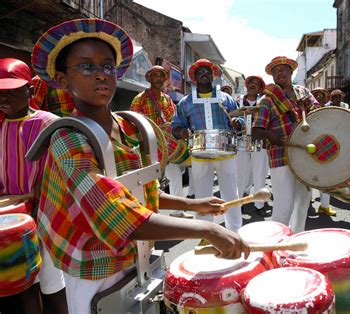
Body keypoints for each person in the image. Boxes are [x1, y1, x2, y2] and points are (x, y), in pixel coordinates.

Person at [31, 18, 250, 314]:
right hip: (91, 264)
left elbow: (135, 193)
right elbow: (112, 210)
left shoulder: (126, 127)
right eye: (86, 67)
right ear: (61, 79)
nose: (101, 75)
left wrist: (196, 203)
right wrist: (208, 230)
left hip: (131, 254)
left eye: (107, 66)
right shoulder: (68, 138)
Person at [0, 58, 68, 314]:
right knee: (22, 283)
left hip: (44, 215)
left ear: (30, 90)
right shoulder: (1, 124)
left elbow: (60, 169)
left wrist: (38, 193)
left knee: (51, 283)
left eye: (13, 91)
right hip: (10, 219)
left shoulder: (47, 123)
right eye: (0, 92)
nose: (5, 98)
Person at [171, 59, 244, 232]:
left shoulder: (226, 98)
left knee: (230, 194)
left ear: (213, 76)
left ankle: (234, 231)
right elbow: (176, 126)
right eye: (199, 72)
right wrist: (182, 132)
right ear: (194, 77)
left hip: (226, 153)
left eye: (207, 71)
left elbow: (240, 119)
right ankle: (206, 232)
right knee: (203, 196)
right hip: (199, 155)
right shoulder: (185, 102)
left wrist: (238, 123)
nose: (204, 74)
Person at [252, 56, 319, 232]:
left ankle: (296, 241)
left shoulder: (304, 93)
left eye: (283, 69)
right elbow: (256, 131)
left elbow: (320, 116)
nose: (280, 72)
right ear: (272, 76)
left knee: (303, 203)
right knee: (284, 207)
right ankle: (278, 246)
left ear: (291, 71)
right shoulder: (267, 100)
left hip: (305, 156)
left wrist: (309, 108)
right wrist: (271, 136)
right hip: (281, 157)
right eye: (275, 71)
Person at [130, 65, 193, 219]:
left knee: (176, 177)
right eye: (155, 75)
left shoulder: (167, 99)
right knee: (149, 182)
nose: (158, 78)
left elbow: (174, 122)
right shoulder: (140, 99)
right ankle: (147, 215)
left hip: (168, 147)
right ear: (149, 78)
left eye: (161, 75)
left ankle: (177, 212)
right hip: (149, 147)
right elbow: (133, 124)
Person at [236, 75, 269, 216]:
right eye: (251, 82)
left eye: (256, 83)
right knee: (241, 173)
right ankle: (240, 202)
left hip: (259, 141)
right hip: (241, 141)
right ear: (246, 85)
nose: (253, 85)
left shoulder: (265, 102)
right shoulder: (237, 101)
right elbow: (230, 117)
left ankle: (259, 205)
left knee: (259, 173)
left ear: (260, 88)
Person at [309, 87, 336, 216]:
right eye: (316, 95)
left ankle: (324, 207)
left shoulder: (332, 111)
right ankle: (307, 202)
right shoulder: (307, 111)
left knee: (326, 179)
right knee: (307, 177)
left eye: (322, 95)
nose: (319, 97)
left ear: (327, 98)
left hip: (327, 149)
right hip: (309, 148)